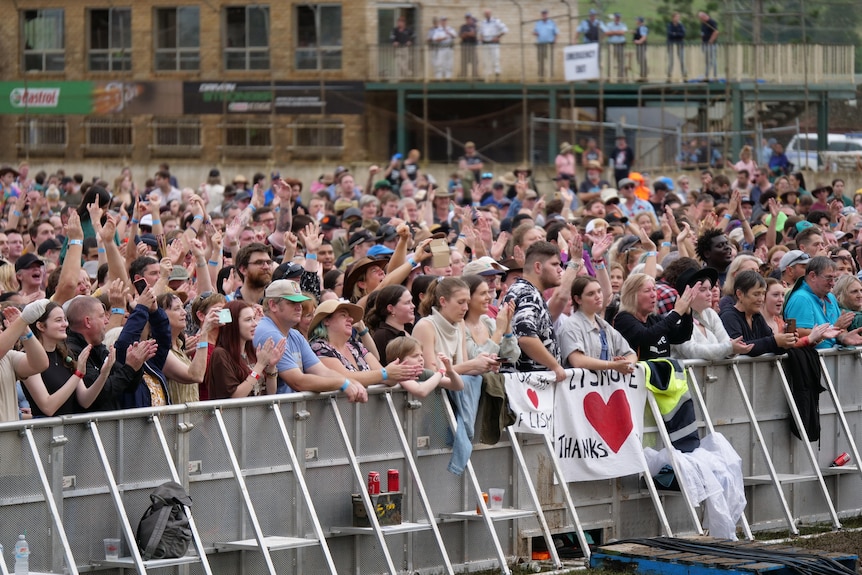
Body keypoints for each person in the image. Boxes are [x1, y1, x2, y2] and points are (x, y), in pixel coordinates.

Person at [254, 279, 368, 401]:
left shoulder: (294, 334)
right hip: (271, 415)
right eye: (292, 302)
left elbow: (322, 371)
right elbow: (298, 382)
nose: (299, 307)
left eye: (300, 303)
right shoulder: (269, 333)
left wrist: (351, 382)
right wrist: (342, 383)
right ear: (273, 305)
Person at [309, 298, 421, 386]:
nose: (351, 319)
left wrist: (398, 374)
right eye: (343, 315)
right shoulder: (319, 348)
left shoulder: (356, 346)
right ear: (326, 321)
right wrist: (386, 374)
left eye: (350, 316)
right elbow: (344, 378)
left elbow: (386, 378)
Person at [502, 241, 566, 378]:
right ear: (538, 267)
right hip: (526, 386)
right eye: (555, 264)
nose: (560, 269)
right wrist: (554, 365)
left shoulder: (524, 290)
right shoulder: (528, 294)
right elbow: (526, 337)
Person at [206, 300, 285, 399]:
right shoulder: (220, 354)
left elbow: (270, 393)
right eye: (248, 320)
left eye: (254, 318)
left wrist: (271, 367)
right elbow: (235, 397)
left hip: (257, 413)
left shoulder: (251, 351)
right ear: (233, 324)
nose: (255, 324)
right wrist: (260, 366)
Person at [669, 268, 753, 360]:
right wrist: (729, 348)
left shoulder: (710, 314)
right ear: (686, 293)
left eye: (709, 289)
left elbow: (725, 342)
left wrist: (733, 349)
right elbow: (692, 351)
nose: (709, 293)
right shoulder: (675, 318)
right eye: (702, 290)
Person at [558, 276, 637, 373]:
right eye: (591, 294)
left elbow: (631, 354)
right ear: (578, 299)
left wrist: (626, 365)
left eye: (599, 291)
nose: (598, 296)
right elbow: (577, 361)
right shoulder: (570, 326)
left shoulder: (604, 326)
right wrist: (613, 365)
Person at [784, 256, 862, 348]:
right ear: (813, 276)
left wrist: (844, 337)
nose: (833, 283)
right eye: (829, 278)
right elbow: (798, 334)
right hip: (811, 360)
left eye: (834, 278)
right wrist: (833, 328)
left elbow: (840, 329)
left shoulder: (830, 297)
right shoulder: (801, 298)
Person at [614, 272, 695, 360]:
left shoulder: (654, 319)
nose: (653, 295)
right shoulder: (623, 319)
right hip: (638, 373)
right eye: (647, 290)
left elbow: (682, 336)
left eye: (654, 289)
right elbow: (646, 337)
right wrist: (676, 313)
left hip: (661, 373)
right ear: (632, 296)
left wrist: (687, 313)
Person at [158, 293, 219, 404]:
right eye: (177, 309)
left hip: (191, 418)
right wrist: (204, 333)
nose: (184, 312)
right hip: (176, 420)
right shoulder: (159, 349)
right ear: (161, 315)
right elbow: (196, 376)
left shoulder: (180, 346)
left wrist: (185, 354)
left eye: (182, 307)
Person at [720, 271, 797, 355]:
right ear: (740, 294)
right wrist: (775, 341)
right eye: (756, 294)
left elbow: (770, 343)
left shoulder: (757, 316)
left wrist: (785, 342)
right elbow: (741, 347)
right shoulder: (729, 316)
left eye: (763, 294)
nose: (761, 299)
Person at [462, 275, 520, 365]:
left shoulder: (486, 321)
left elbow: (512, 357)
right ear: (468, 298)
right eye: (483, 293)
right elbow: (476, 361)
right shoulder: (461, 327)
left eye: (488, 292)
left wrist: (507, 325)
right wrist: (499, 331)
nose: (488, 297)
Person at [384, 335, 461, 398]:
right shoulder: (399, 374)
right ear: (398, 360)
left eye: (421, 355)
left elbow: (458, 386)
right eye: (415, 356)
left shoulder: (423, 373)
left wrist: (450, 371)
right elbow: (421, 391)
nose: (421, 359)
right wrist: (441, 372)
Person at [367, 285, 414, 365]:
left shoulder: (409, 329)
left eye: (411, 302)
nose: (413, 306)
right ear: (391, 308)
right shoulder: (383, 336)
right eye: (407, 303)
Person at [478, 9, 508, 78]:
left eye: (488, 13)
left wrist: (498, 36)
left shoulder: (496, 21)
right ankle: (487, 75)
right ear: (484, 15)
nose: (487, 15)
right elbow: (481, 32)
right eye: (486, 13)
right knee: (486, 60)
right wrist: (481, 37)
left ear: (490, 14)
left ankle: (497, 75)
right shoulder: (483, 22)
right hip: (485, 43)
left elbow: (505, 29)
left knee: (496, 58)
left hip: (494, 43)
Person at [534, 10, 559, 79]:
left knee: (549, 60)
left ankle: (551, 76)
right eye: (543, 14)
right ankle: (541, 76)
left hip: (549, 44)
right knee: (541, 60)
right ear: (541, 15)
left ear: (547, 15)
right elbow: (534, 31)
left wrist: (555, 41)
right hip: (541, 44)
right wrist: (535, 33)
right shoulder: (538, 23)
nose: (544, 15)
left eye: (545, 14)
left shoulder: (552, 23)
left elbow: (556, 33)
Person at [605, 13, 627, 81]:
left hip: (620, 45)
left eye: (618, 17)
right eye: (616, 17)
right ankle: (609, 77)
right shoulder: (609, 24)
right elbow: (607, 33)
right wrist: (617, 32)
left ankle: (620, 78)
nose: (617, 19)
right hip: (611, 45)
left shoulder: (623, 24)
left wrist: (612, 32)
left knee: (621, 61)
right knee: (610, 61)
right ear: (614, 18)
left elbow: (622, 32)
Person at [699, 11, 719, 80]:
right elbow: (702, 34)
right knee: (707, 61)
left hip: (711, 45)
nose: (700, 20)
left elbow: (716, 31)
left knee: (713, 60)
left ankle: (715, 76)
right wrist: (702, 42)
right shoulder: (703, 24)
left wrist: (711, 40)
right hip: (705, 44)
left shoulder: (711, 22)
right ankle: (706, 76)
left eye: (701, 18)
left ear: (704, 17)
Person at [666, 12, 686, 80]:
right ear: (673, 18)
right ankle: (669, 75)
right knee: (671, 60)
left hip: (680, 45)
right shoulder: (669, 25)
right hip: (671, 45)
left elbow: (683, 34)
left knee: (682, 60)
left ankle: (684, 75)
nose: (678, 18)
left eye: (679, 17)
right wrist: (677, 34)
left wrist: (675, 34)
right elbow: (669, 34)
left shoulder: (681, 25)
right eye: (677, 17)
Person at [460, 13, 479, 78]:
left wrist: (466, 33)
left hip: (473, 46)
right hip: (465, 47)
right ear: (466, 19)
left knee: (474, 61)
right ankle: (464, 76)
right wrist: (469, 34)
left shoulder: (474, 26)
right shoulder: (463, 27)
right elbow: (462, 36)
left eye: (469, 18)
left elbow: (474, 34)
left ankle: (475, 76)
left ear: (471, 18)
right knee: (464, 62)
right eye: (467, 18)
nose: (468, 19)